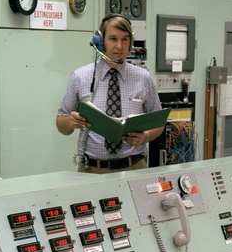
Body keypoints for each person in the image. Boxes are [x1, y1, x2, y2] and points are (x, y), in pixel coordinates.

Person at [56, 14, 164, 173]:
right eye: (113, 39)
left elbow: (159, 122)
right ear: (100, 43)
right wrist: (70, 122)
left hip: (134, 167)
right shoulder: (80, 77)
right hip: (92, 169)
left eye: (125, 39)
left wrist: (146, 137)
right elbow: (61, 123)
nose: (119, 46)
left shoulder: (143, 78)